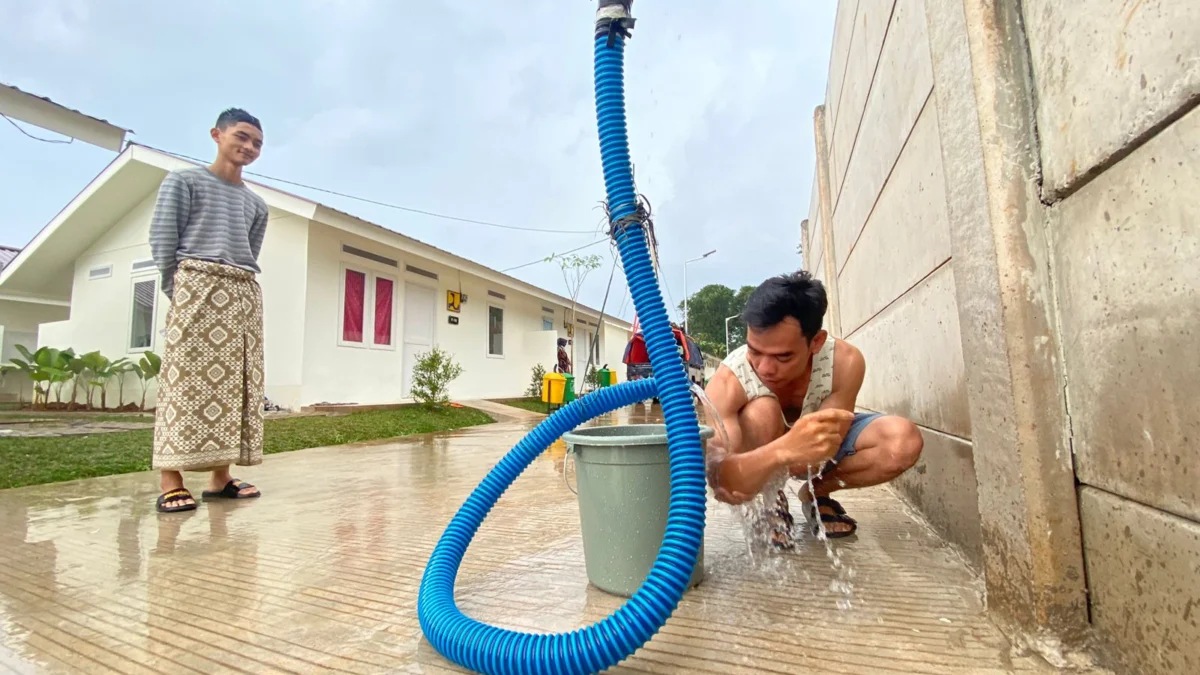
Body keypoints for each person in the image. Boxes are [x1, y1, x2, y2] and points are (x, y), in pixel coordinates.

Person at [704, 271, 923, 543]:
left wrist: (793, 451)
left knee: (902, 441)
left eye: (783, 356)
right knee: (763, 411)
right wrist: (782, 450)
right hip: (766, 453)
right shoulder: (728, 380)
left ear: (816, 342)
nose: (764, 368)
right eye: (755, 351)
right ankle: (772, 498)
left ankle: (815, 493)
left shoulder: (844, 362)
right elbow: (724, 482)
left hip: (814, 453)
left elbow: (821, 453)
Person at [148, 108, 269, 513]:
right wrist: (179, 290)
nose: (249, 146)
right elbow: (164, 240)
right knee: (184, 382)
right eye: (242, 136)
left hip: (242, 292)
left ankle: (221, 477)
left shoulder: (257, 205)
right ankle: (171, 479)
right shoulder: (184, 181)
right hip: (196, 283)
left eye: (257, 142)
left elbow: (250, 253)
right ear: (217, 135)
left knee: (235, 386)